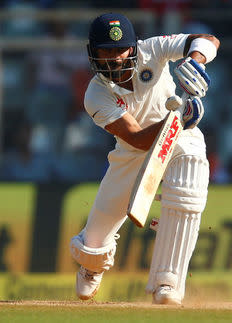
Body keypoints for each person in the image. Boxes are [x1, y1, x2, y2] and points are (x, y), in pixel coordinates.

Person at [69, 13, 220, 305]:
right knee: (94, 243)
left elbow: (207, 40)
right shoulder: (95, 94)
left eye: (119, 50)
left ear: (133, 48)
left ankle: (168, 284)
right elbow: (136, 137)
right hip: (134, 151)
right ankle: (92, 266)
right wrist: (179, 119)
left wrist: (196, 62)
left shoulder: (152, 49)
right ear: (93, 52)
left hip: (180, 139)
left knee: (187, 191)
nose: (113, 59)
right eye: (106, 51)